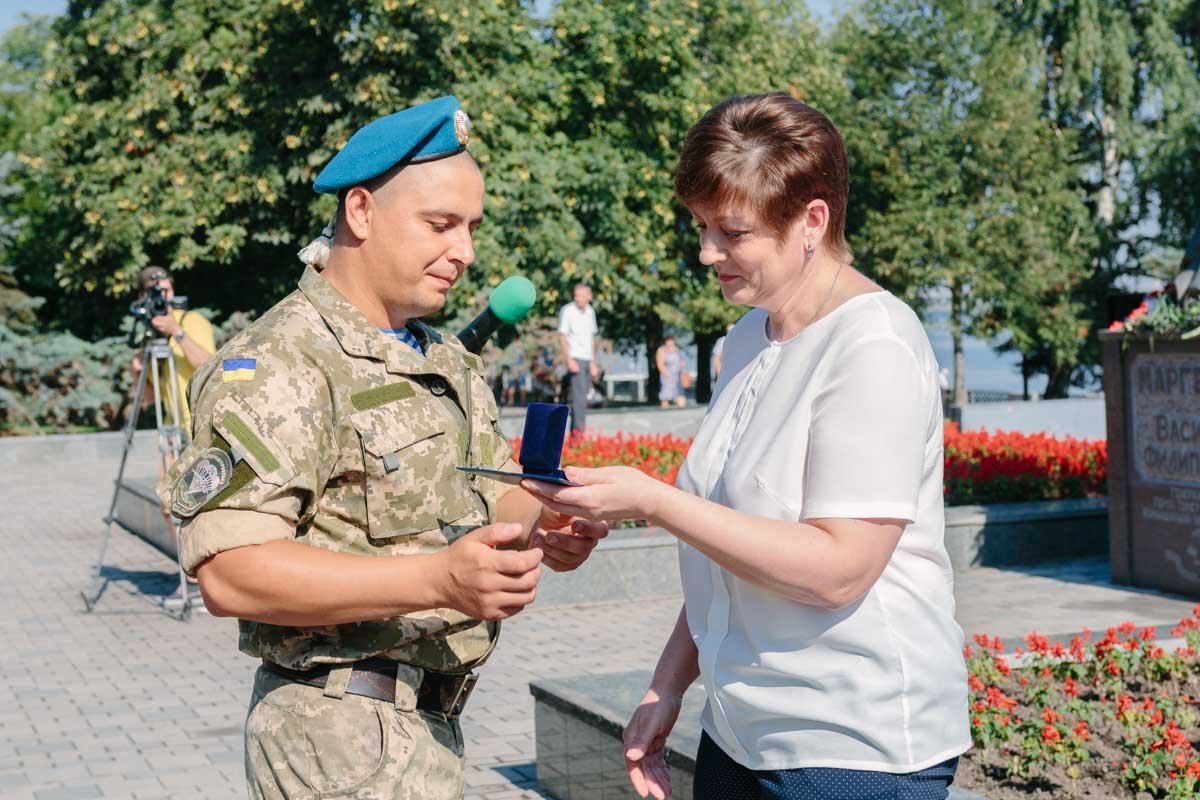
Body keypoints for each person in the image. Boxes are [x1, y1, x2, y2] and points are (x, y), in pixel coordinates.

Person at [156, 96, 608, 800]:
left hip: (428, 731)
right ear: (361, 212)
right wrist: (437, 581)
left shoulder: (444, 358)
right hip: (332, 738)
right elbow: (230, 572)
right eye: (441, 224)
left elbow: (491, 502)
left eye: (471, 227)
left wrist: (546, 525)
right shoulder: (279, 362)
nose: (465, 251)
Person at [523, 93, 970, 800]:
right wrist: (668, 688)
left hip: (853, 747)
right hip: (739, 730)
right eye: (701, 228)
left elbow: (839, 571)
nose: (708, 253)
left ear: (811, 221)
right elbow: (730, 548)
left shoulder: (873, 343)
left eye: (731, 232)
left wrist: (654, 501)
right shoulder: (747, 337)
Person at [130, 265, 215, 435]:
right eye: (153, 291)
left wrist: (176, 332)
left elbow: (210, 368)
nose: (161, 296)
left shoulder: (191, 321)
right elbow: (149, 399)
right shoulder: (148, 337)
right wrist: (137, 372)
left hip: (200, 427)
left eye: (165, 290)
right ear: (142, 296)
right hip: (173, 430)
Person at [557, 282, 599, 432]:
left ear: (589, 296)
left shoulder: (590, 312)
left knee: (585, 396)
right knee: (578, 397)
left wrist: (593, 362)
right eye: (576, 295)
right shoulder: (568, 310)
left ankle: (578, 430)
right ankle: (578, 434)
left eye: (582, 295)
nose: (578, 299)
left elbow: (591, 338)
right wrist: (569, 360)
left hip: (587, 359)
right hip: (575, 358)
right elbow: (561, 336)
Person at [654, 335, 687, 408]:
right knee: (666, 393)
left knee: (679, 392)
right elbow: (660, 363)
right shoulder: (661, 350)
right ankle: (665, 406)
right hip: (667, 374)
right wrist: (665, 373)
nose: (670, 344)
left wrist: (683, 371)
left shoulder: (676, 350)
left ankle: (680, 406)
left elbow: (681, 362)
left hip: (677, 374)